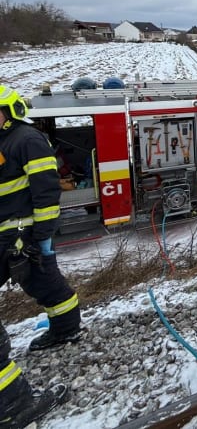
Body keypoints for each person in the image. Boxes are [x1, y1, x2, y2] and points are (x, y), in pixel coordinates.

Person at [0, 85, 79, 427]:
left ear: (8, 110)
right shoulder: (6, 142)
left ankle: (66, 329)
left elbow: (46, 192)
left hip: (21, 235)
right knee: (45, 283)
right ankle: (65, 329)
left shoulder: (27, 140)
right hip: (10, 235)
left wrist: (40, 237)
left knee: (46, 281)